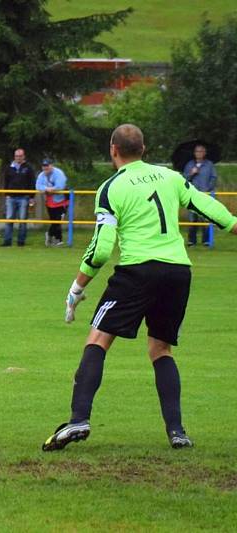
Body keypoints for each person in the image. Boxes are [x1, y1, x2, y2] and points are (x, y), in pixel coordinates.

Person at [43, 124, 237, 452]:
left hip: (138, 271)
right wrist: (234, 225)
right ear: (144, 149)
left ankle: (79, 419)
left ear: (113, 150)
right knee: (160, 349)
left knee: (98, 339)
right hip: (178, 271)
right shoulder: (171, 177)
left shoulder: (111, 187)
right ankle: (177, 431)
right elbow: (208, 207)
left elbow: (102, 248)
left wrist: (77, 287)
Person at [182, 144, 217, 246]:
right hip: (192, 196)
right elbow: (183, 179)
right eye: (197, 151)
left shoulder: (209, 165)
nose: (199, 153)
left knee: (205, 218)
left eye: (201, 151)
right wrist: (191, 173)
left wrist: (208, 189)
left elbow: (213, 178)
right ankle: (191, 241)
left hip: (205, 195)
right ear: (194, 153)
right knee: (193, 218)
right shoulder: (189, 165)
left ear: (205, 153)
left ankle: (206, 241)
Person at [1, 148, 36, 247]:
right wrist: (6, 195)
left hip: (23, 198)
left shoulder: (28, 168)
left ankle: (21, 242)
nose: (18, 158)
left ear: (24, 156)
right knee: (9, 219)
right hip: (11, 197)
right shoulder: (9, 167)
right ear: (14, 156)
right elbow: (6, 181)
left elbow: (32, 182)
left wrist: (32, 197)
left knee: (22, 220)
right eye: (16, 156)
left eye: (20, 156)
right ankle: (7, 241)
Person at [35, 158, 69, 246]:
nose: (45, 168)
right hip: (50, 202)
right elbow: (38, 186)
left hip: (62, 201)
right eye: (44, 166)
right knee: (54, 221)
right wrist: (46, 189)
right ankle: (58, 239)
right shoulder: (41, 175)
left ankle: (50, 235)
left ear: (51, 165)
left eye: (47, 166)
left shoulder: (59, 173)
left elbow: (60, 186)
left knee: (58, 220)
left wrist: (52, 189)